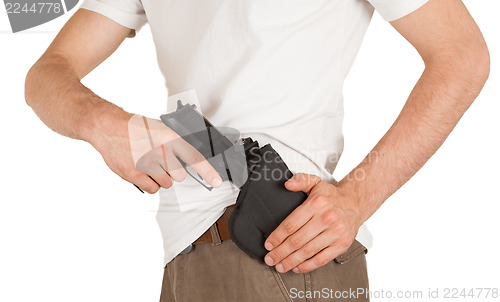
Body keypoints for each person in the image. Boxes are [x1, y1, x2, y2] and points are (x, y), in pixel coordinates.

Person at [25, 0, 489, 301]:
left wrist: (357, 198)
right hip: (185, 250)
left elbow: (462, 56)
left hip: (281, 247)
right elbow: (48, 73)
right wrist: (104, 125)